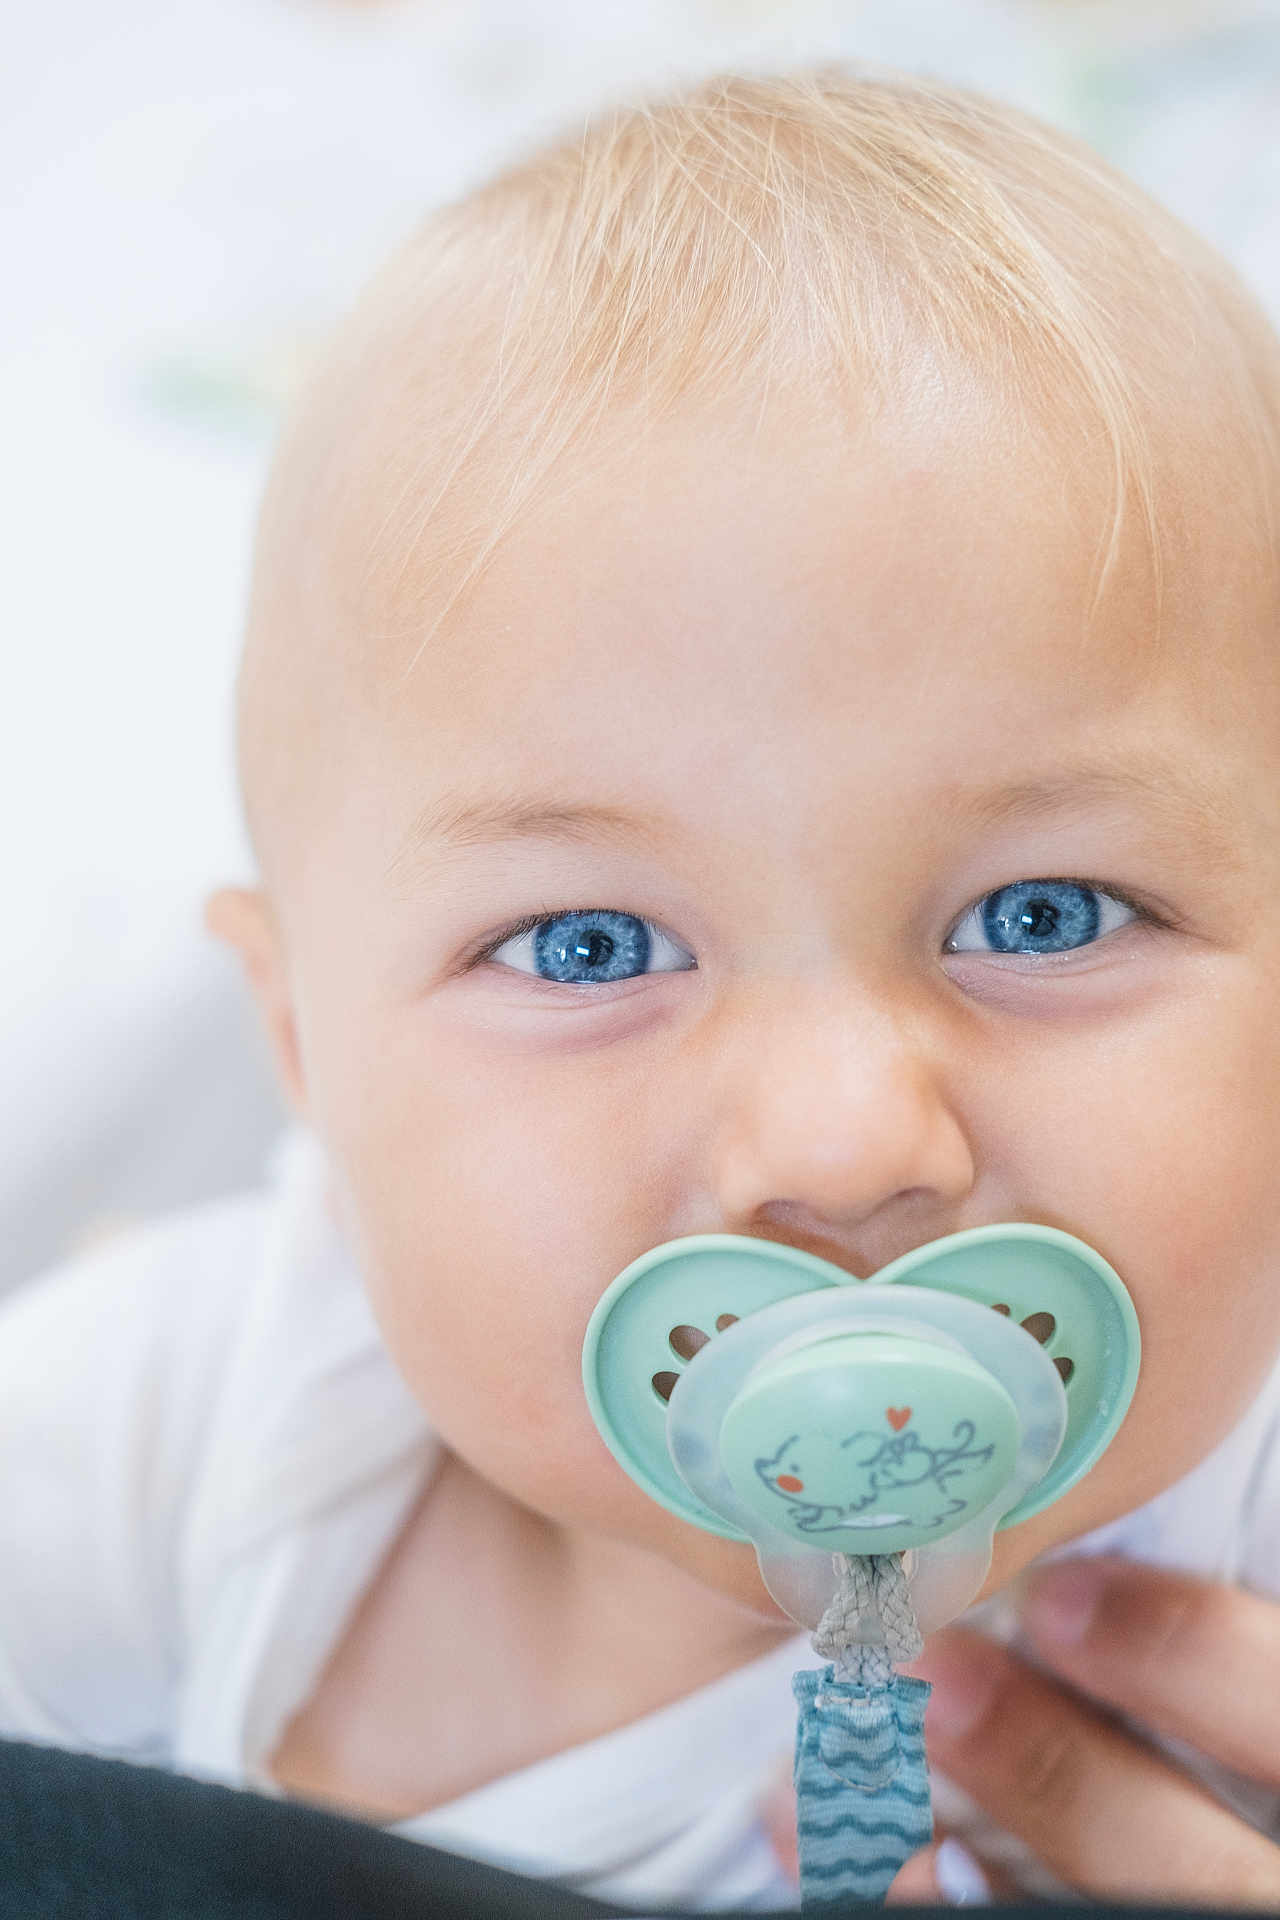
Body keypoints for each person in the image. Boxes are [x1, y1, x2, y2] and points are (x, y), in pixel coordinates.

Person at [3, 67, 1280, 1910]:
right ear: (302, 1048)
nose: (846, 1143)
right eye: (588, 949)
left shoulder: (1227, 1526)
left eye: (1048, 912)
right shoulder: (233, 1406)